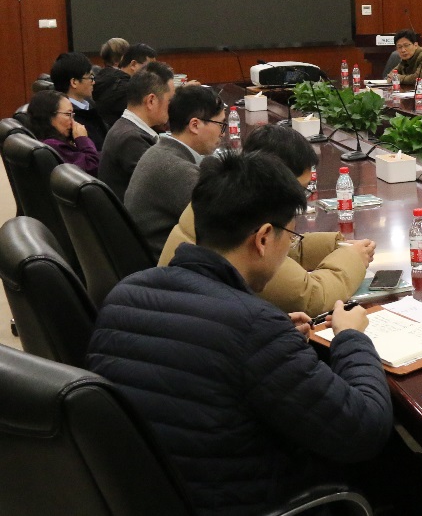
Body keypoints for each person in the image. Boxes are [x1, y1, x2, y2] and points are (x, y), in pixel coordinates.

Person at [86, 151, 394, 516]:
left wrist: (278, 344)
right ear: (263, 238)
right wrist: (350, 338)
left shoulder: (124, 294)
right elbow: (365, 429)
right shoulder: (253, 327)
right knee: (397, 466)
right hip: (247, 501)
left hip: (152, 495)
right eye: (289, 236)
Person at [158, 123, 374, 316]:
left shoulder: (222, 200)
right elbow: (312, 297)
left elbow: (284, 247)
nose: (299, 200)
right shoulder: (248, 235)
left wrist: (335, 245)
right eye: (299, 189)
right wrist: (353, 258)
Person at [126, 85, 226, 259]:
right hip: (166, 266)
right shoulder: (176, 170)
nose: (222, 134)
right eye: (221, 125)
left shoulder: (160, 151)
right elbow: (225, 223)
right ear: (195, 125)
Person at [98, 62, 175, 199]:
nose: (172, 107)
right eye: (170, 100)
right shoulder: (131, 140)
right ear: (151, 101)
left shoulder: (126, 128)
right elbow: (168, 187)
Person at [25, 88, 101, 174]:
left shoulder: (45, 138)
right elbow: (92, 167)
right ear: (48, 116)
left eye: (72, 115)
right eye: (68, 114)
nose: (73, 122)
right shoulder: (54, 145)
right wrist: (82, 139)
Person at [50, 51, 108, 149]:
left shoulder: (90, 106)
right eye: (90, 77)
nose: (93, 82)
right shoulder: (69, 120)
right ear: (74, 82)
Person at [93, 42, 158, 127]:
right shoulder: (128, 90)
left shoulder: (104, 78)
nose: (152, 73)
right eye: (149, 68)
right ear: (133, 64)